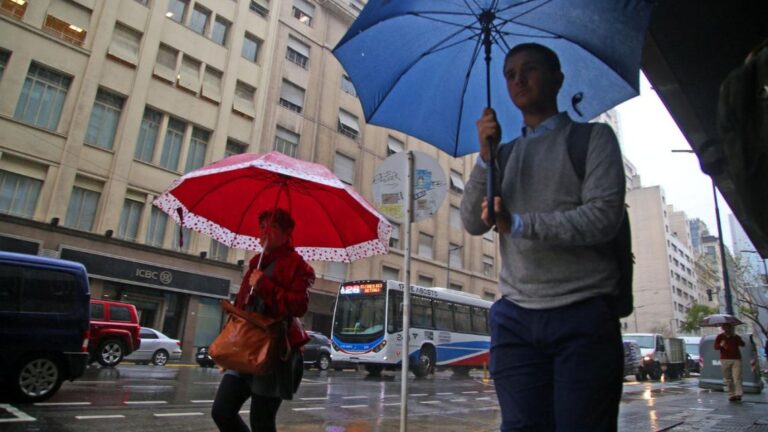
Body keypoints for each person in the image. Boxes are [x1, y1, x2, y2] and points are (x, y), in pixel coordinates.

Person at [460, 43, 626, 431]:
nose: (518, 79)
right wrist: (486, 157)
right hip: (516, 317)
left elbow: (603, 218)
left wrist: (518, 224)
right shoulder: (504, 153)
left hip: (583, 314)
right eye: (509, 73)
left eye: (529, 69)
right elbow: (471, 221)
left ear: (557, 78)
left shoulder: (594, 140)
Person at [211, 208, 315, 432]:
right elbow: (244, 308)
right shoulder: (255, 263)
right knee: (222, 411)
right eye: (262, 227)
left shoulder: (298, 266)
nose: (264, 232)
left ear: (288, 234)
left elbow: (298, 306)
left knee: (261, 421)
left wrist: (264, 285)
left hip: (273, 351)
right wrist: (232, 346)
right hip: (245, 345)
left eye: (273, 227)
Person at [714, 323, 745, 402]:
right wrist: (721, 345)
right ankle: (732, 394)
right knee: (728, 378)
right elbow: (715, 347)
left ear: (731, 329)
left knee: (737, 377)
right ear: (723, 328)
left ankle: (738, 394)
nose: (728, 329)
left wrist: (737, 338)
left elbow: (743, 344)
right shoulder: (720, 337)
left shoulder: (736, 337)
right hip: (725, 359)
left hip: (736, 359)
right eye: (726, 328)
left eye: (729, 328)